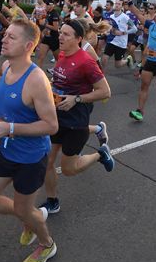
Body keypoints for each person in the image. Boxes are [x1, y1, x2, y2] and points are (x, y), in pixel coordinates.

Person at [0, 20, 60, 262]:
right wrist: (5, 124)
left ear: (28, 45)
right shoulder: (6, 66)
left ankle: (47, 244)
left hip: (30, 159)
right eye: (5, 34)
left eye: (11, 37)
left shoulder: (37, 80)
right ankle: (29, 217)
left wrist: (10, 128)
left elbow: (51, 126)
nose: (4, 39)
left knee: (25, 208)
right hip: (5, 150)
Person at [40, 20, 113, 214]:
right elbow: (61, 80)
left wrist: (77, 99)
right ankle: (52, 201)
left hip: (75, 121)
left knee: (68, 170)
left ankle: (100, 154)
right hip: (56, 118)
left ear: (79, 39)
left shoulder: (86, 61)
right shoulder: (63, 54)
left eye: (66, 34)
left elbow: (105, 92)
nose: (60, 37)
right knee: (46, 161)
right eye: (60, 33)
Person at [100, 0, 137, 73]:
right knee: (104, 59)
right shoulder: (111, 16)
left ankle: (128, 59)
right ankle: (101, 76)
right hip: (111, 41)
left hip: (121, 44)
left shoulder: (125, 17)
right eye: (116, 3)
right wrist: (107, 31)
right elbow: (110, 27)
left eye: (119, 4)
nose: (116, 5)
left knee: (118, 65)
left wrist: (123, 32)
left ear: (122, 6)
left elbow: (134, 29)